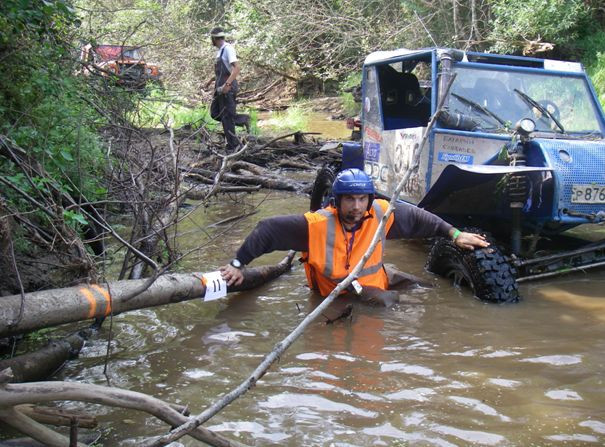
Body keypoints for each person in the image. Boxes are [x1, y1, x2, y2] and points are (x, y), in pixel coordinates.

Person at [220, 168, 489, 305]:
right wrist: (237, 265)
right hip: (347, 291)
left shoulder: (379, 213)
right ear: (337, 201)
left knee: (423, 288)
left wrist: (455, 234)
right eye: (350, 199)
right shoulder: (315, 226)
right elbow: (267, 229)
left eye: (362, 199)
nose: (357, 207)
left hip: (379, 276)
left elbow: (419, 218)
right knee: (395, 304)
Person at [209, 26, 241, 151]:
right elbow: (221, 71)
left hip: (227, 87)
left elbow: (236, 68)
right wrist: (209, 82)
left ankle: (233, 146)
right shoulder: (220, 51)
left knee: (227, 117)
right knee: (215, 113)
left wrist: (227, 85)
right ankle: (241, 119)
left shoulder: (228, 49)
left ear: (214, 38)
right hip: (219, 88)